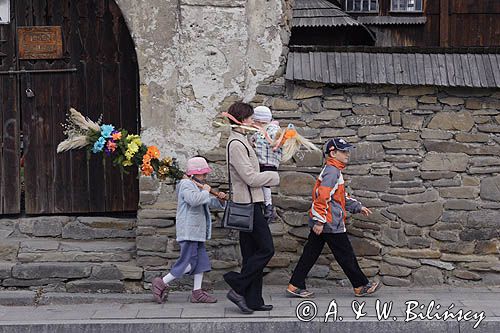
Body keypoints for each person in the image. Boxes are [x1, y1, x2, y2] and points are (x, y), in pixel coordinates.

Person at [286, 138, 381, 298]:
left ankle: (295, 285)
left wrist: (357, 207)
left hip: (326, 222)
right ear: (333, 153)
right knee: (346, 255)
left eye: (347, 151)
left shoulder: (334, 170)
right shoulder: (332, 171)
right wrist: (320, 221)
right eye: (343, 151)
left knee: (310, 254)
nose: (347, 154)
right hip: (330, 223)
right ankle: (360, 286)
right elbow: (321, 197)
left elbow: (339, 197)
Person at [223, 102, 280, 314]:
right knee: (267, 249)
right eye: (249, 118)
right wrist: (274, 177)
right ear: (241, 120)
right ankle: (237, 285)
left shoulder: (243, 140)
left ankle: (253, 299)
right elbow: (249, 177)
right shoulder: (236, 143)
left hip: (252, 201)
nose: (252, 122)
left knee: (252, 253)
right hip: (247, 203)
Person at [151, 157, 226, 304]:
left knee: (201, 262)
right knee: (188, 263)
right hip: (189, 231)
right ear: (194, 174)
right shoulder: (186, 184)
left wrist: (219, 200)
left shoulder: (197, 185)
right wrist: (205, 191)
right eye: (203, 174)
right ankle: (162, 282)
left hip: (197, 232)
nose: (205, 177)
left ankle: (197, 292)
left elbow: (206, 202)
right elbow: (194, 200)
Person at [250, 106, 283, 223]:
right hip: (262, 161)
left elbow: (280, 140)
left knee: (265, 184)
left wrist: (278, 143)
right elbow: (254, 139)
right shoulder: (260, 131)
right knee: (263, 184)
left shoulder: (273, 130)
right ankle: (266, 205)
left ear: (260, 121)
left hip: (269, 161)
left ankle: (268, 206)